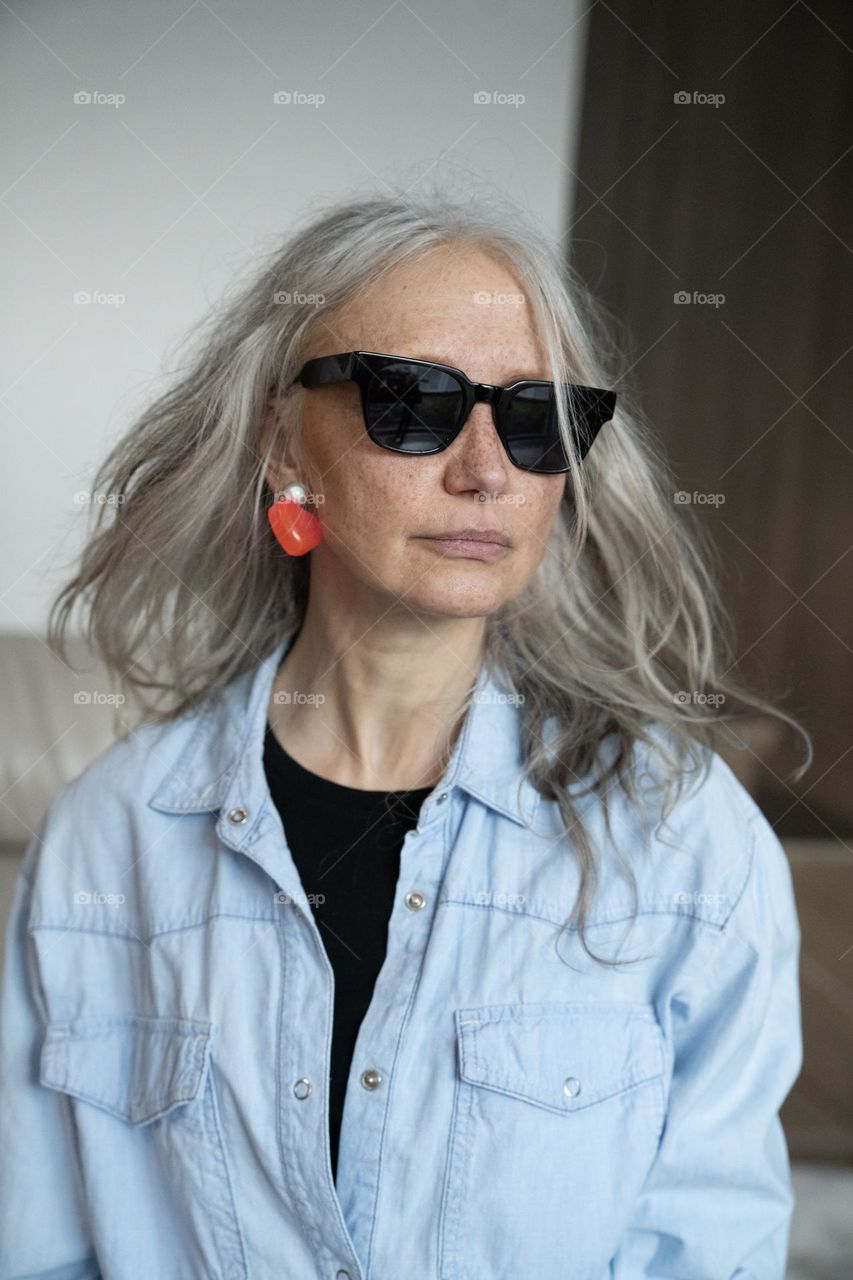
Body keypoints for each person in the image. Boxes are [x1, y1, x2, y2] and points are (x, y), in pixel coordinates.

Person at [0, 190, 809, 1280]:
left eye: (534, 417)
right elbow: (41, 1245)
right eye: (413, 402)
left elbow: (713, 1249)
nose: (486, 469)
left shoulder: (681, 835)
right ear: (281, 438)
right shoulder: (113, 837)